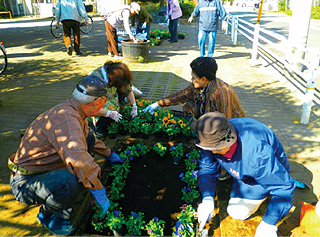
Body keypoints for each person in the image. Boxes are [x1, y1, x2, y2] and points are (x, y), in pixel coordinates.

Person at [8, 75, 124, 235]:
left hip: (44, 171)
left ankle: (69, 189)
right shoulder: (67, 120)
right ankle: (49, 215)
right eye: (104, 100)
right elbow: (79, 161)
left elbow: (90, 140)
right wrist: (99, 190)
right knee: (68, 181)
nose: (104, 105)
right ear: (97, 101)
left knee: (88, 138)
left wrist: (110, 155)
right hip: (25, 183)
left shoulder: (72, 111)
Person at [194, 112, 296, 237]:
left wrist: (268, 224)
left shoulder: (257, 156)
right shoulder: (213, 134)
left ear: (229, 140)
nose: (213, 152)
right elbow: (206, 170)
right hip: (247, 167)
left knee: (237, 212)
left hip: (267, 173)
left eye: (218, 148)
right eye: (210, 149)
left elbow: (284, 188)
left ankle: (265, 193)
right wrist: (207, 198)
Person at [143, 57, 245, 120]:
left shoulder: (221, 92)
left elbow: (225, 121)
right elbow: (182, 95)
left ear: (204, 79)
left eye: (193, 77)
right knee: (189, 105)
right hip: (210, 117)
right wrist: (157, 104)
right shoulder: (200, 84)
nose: (191, 79)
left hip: (233, 125)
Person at [88, 60, 138, 137]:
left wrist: (134, 106)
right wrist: (109, 113)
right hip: (94, 107)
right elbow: (89, 108)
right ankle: (96, 127)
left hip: (109, 98)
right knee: (103, 130)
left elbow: (127, 90)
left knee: (122, 93)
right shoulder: (94, 82)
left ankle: (114, 115)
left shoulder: (115, 76)